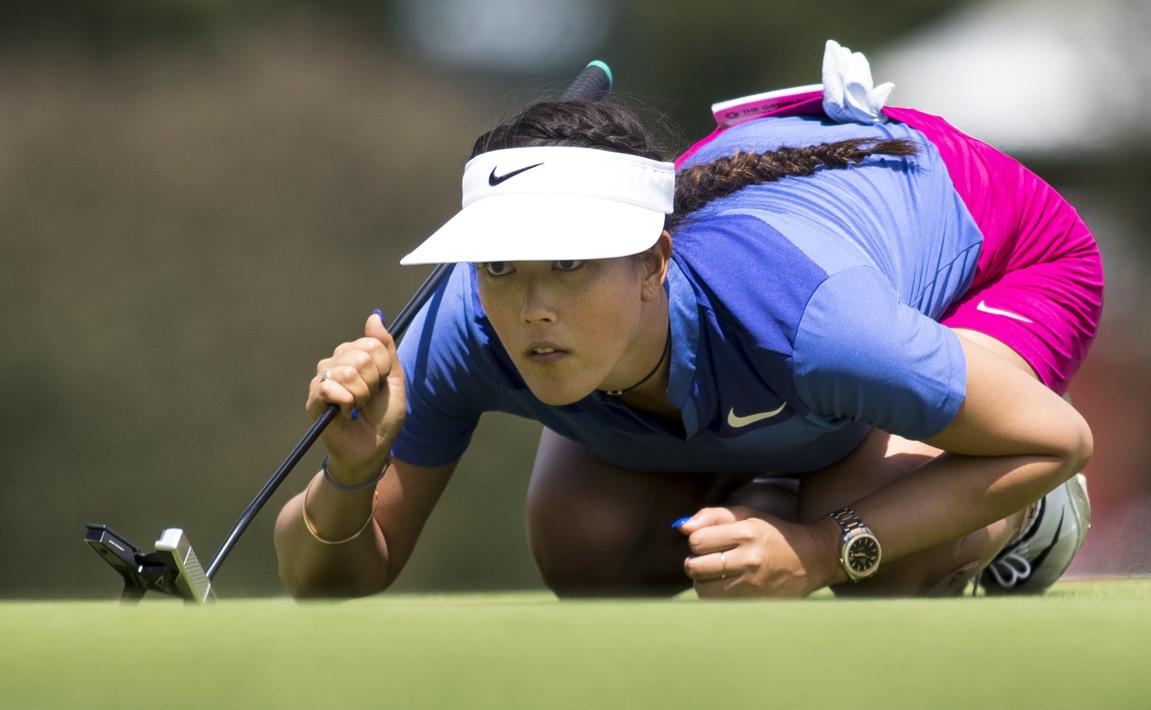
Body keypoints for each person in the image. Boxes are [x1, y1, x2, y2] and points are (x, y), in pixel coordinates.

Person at [273, 45, 1100, 599]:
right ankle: (780, 476)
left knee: (886, 555)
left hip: (998, 250)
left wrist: (816, 549)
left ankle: (1034, 518)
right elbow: (328, 578)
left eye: (568, 263)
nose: (533, 310)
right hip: (805, 335)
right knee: (584, 549)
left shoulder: (813, 319)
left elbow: (1053, 437)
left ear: (653, 262)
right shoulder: (466, 320)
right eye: (503, 266)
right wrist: (349, 473)